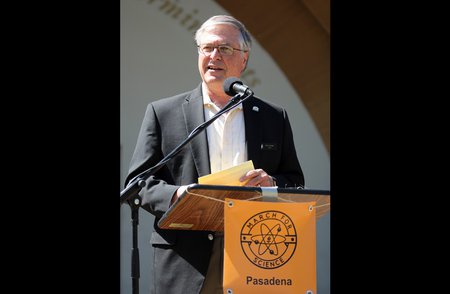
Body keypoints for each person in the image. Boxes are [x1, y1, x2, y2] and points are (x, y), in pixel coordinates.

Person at [124, 14, 305, 294]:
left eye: (225, 49)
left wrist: (272, 184)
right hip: (187, 259)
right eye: (207, 48)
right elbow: (137, 185)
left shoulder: (273, 117)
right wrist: (177, 196)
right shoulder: (163, 113)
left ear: (244, 59)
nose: (214, 56)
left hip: (256, 253)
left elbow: (295, 181)